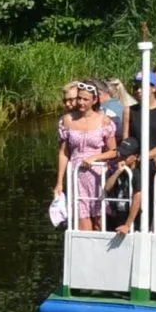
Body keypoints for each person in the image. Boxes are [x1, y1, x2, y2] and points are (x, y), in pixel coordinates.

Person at [53, 82, 115, 232]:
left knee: (100, 222)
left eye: (85, 99)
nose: (81, 102)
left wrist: (96, 157)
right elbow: (64, 153)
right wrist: (59, 182)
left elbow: (114, 151)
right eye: (79, 98)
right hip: (76, 174)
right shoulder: (68, 120)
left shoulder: (104, 120)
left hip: (97, 176)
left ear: (94, 100)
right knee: (83, 223)